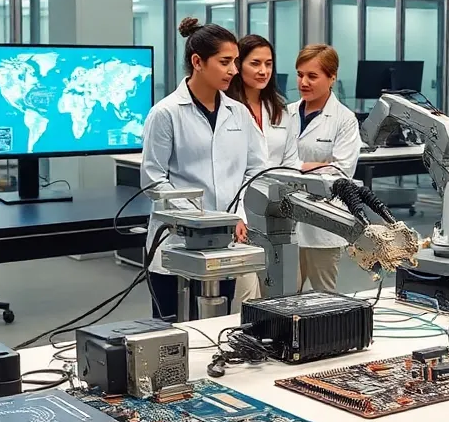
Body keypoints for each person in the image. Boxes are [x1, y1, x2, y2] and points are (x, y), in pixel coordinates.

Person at [141, 17, 265, 320]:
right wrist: (197, 219)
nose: (234, 71)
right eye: (225, 62)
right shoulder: (166, 113)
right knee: (173, 332)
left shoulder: (238, 112)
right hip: (176, 239)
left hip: (225, 239)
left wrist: (236, 216)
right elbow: (154, 179)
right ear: (198, 61)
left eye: (235, 61)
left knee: (216, 324)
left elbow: (256, 170)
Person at [226, 34, 299, 307]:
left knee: (280, 291)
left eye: (268, 63)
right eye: (255, 63)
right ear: (238, 65)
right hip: (242, 213)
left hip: (277, 212)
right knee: (248, 292)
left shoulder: (279, 109)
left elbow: (291, 163)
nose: (263, 70)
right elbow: (229, 170)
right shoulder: (227, 110)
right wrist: (237, 215)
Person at [287, 44, 361, 291]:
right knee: (284, 295)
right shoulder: (285, 114)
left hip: (323, 223)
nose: (303, 82)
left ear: (332, 77)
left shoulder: (344, 119)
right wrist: (310, 167)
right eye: (300, 74)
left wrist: (292, 169)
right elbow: (271, 165)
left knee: (325, 297)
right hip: (285, 220)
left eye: (312, 76)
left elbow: (340, 174)